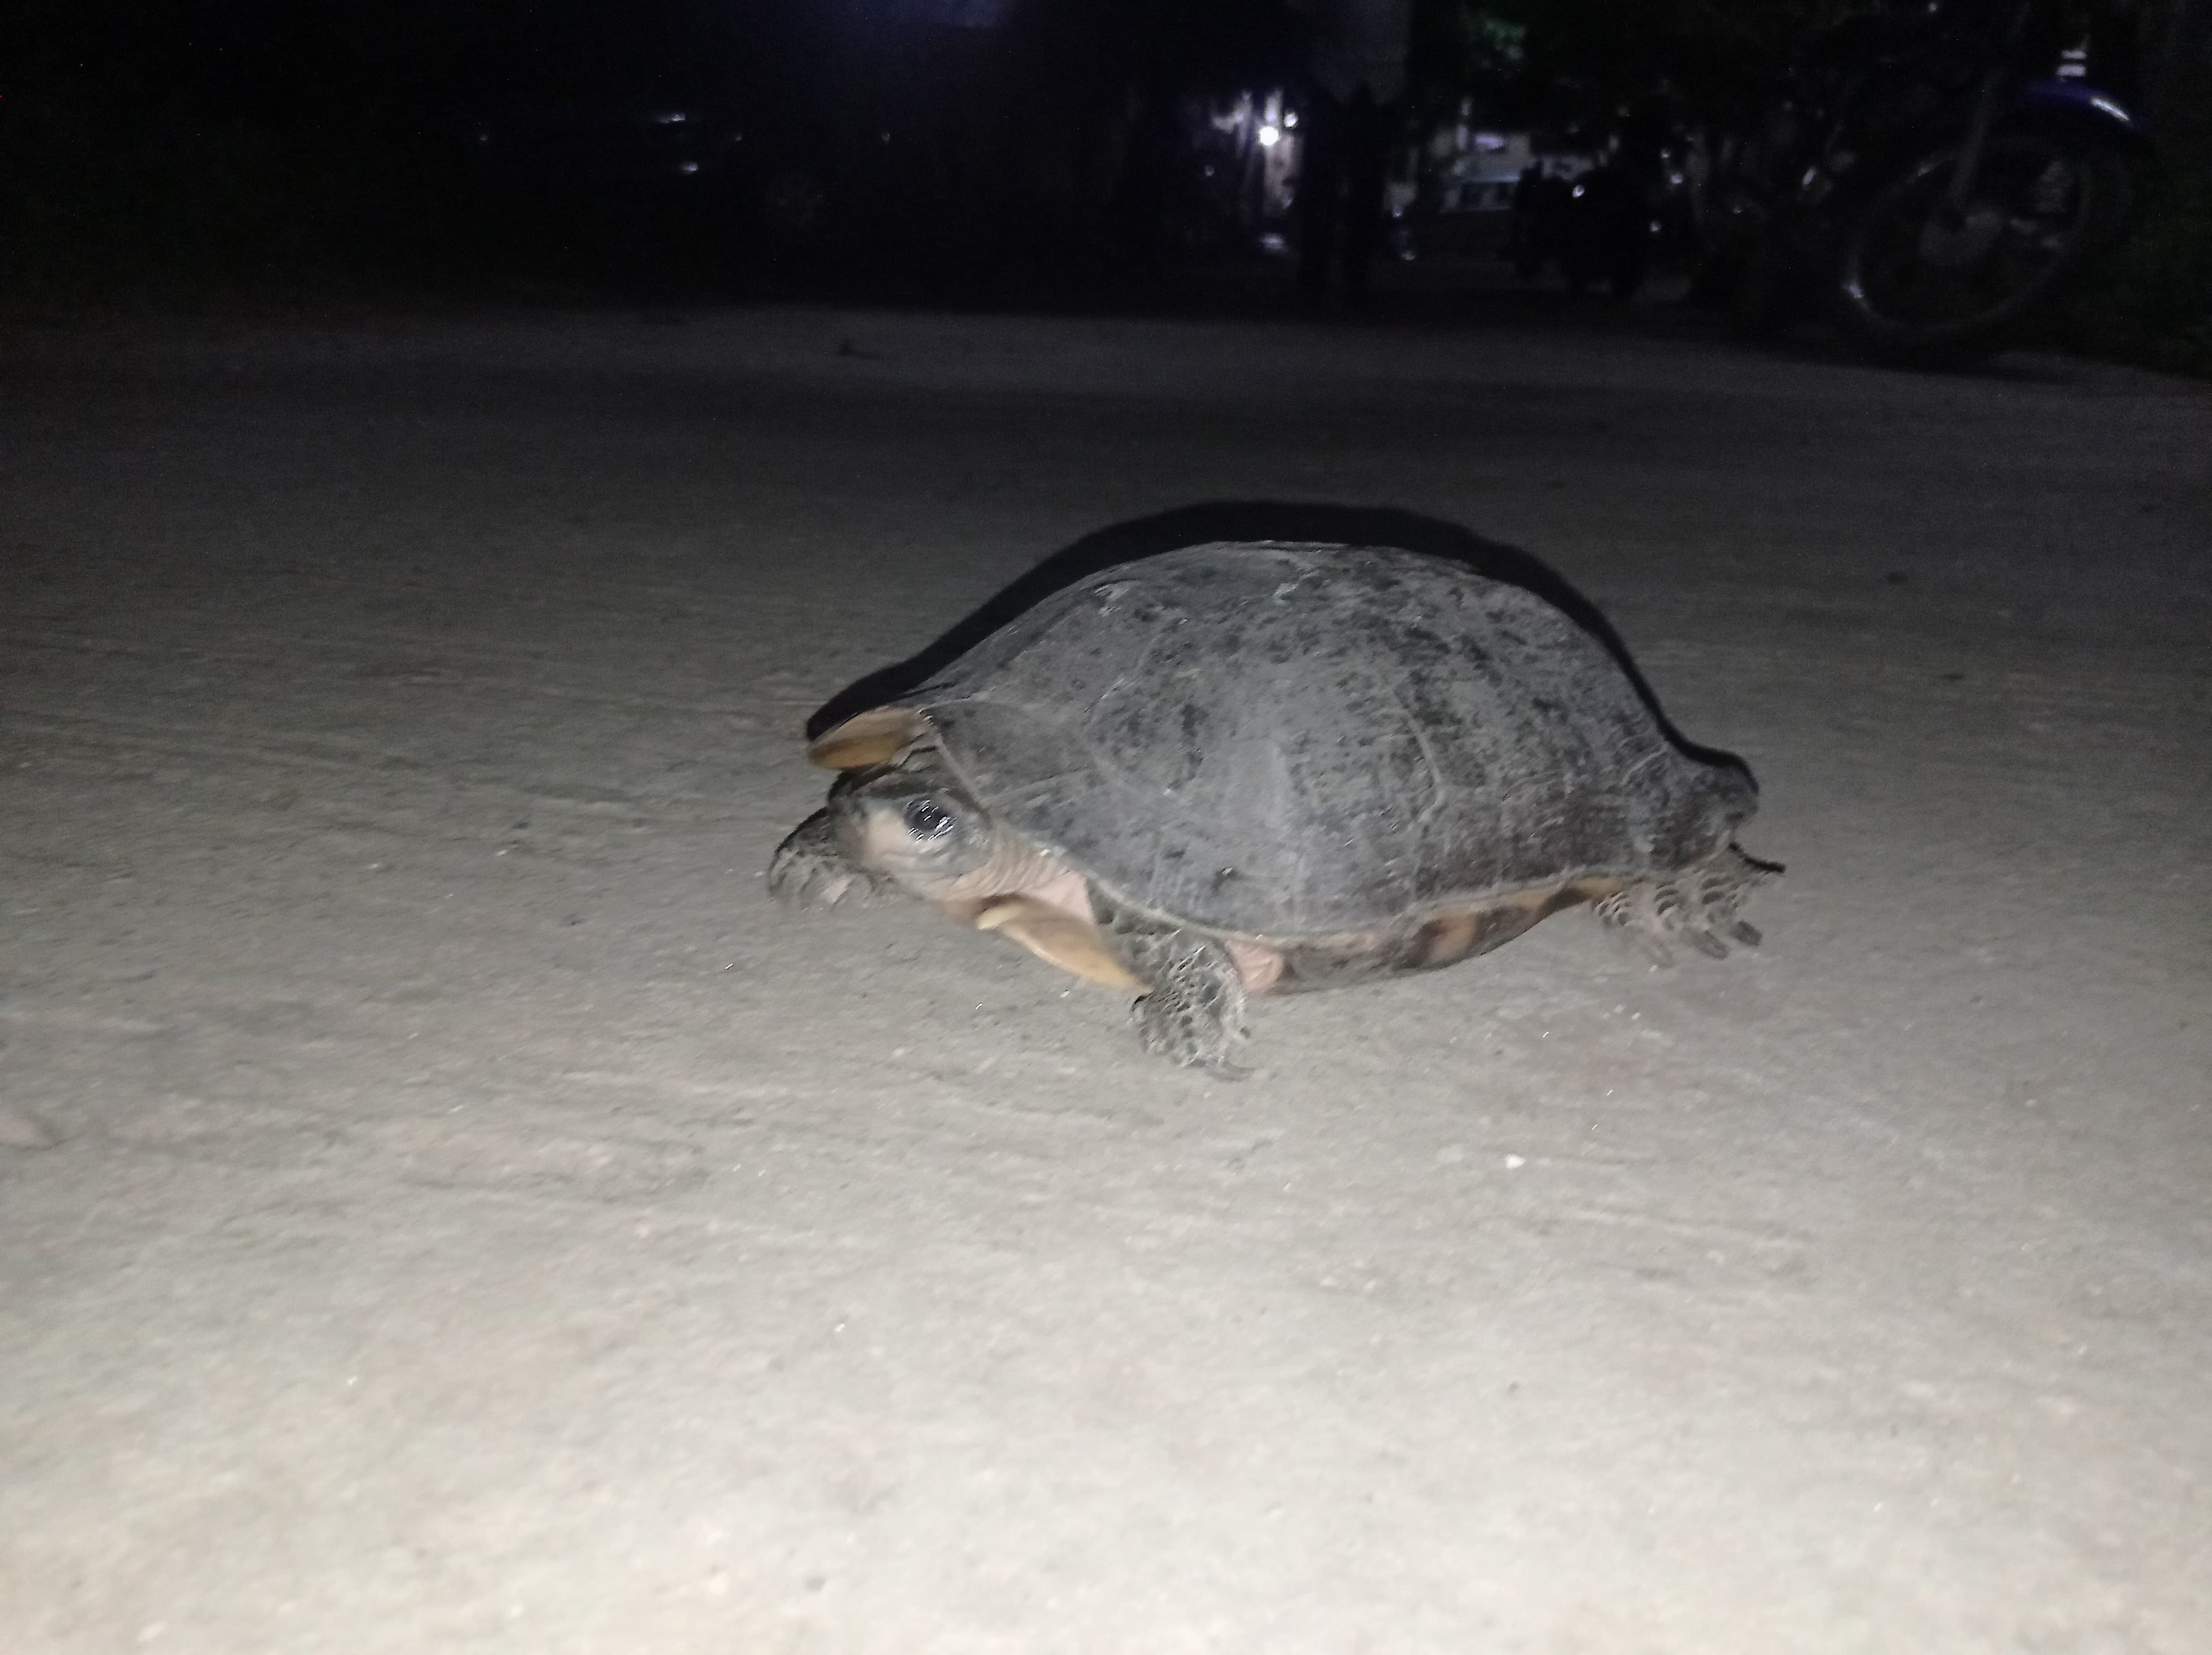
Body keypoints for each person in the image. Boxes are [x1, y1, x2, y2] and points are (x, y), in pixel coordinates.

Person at [1295, 0, 1415, 298]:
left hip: (1368, 81)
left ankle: (1340, 273)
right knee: (1344, 185)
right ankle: (1333, 273)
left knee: (1353, 186)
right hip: (1349, 79)